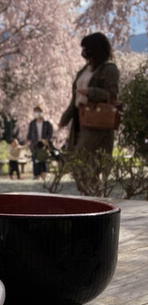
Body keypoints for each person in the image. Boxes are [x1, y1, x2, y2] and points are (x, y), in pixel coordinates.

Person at [59, 32, 120, 192]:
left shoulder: (109, 69)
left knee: (86, 160)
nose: (84, 52)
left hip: (97, 121)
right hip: (80, 119)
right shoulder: (84, 70)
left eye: (87, 48)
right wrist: (66, 117)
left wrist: (91, 92)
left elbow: (112, 95)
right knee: (77, 162)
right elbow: (75, 97)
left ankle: (93, 197)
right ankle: (88, 194)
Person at [26, 105, 54, 179]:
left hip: (44, 144)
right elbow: (29, 134)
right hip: (35, 144)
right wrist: (28, 141)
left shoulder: (47, 123)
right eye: (35, 112)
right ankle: (36, 174)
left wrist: (46, 140)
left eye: (38, 111)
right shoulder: (32, 123)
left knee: (43, 160)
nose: (37, 113)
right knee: (35, 159)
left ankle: (43, 173)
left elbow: (50, 133)